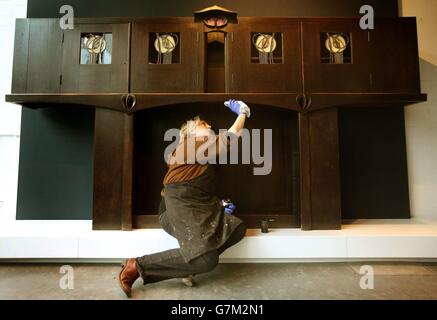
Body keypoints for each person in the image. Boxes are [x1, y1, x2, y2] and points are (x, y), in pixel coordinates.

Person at [118, 99, 251, 297]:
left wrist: (219, 204)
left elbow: (198, 193)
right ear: (192, 133)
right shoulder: (191, 144)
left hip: (189, 208)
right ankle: (136, 265)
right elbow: (230, 138)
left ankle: (187, 266)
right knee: (207, 260)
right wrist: (243, 113)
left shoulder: (200, 153)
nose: (209, 126)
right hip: (173, 210)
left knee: (236, 228)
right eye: (203, 125)